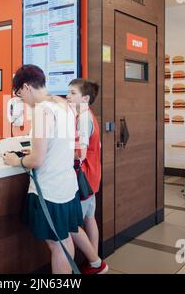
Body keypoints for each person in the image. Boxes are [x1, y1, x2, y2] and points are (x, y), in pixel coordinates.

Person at [3, 65, 107, 274]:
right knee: (64, 239)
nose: (20, 98)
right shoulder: (62, 104)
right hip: (67, 187)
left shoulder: (43, 110)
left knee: (57, 245)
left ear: (25, 87)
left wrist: (16, 161)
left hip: (50, 191)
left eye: (19, 93)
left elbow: (37, 159)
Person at [67, 79, 102, 272]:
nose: (68, 96)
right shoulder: (88, 116)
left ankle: (95, 262)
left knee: (71, 226)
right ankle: (93, 261)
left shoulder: (83, 119)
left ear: (85, 98)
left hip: (84, 179)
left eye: (72, 93)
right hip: (92, 178)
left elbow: (80, 153)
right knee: (90, 218)